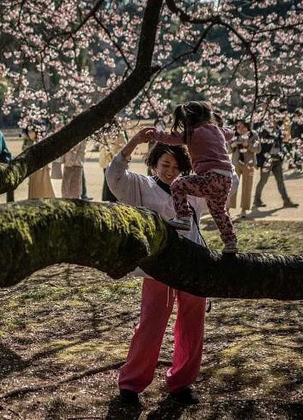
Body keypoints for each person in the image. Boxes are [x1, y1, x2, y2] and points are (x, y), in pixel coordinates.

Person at [106, 129, 210, 406]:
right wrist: (133, 144)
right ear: (153, 164)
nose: (170, 171)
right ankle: (131, 384)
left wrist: (211, 149)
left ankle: (181, 382)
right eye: (165, 165)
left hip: (193, 265)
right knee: (151, 324)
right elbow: (114, 177)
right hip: (159, 268)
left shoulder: (194, 190)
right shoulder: (140, 186)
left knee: (192, 325)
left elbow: (227, 182)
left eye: (177, 167)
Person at [150, 101, 238, 253]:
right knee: (218, 211)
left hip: (210, 177)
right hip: (226, 179)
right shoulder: (218, 130)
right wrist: (222, 126)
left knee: (178, 185)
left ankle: (184, 217)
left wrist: (153, 134)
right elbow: (230, 133)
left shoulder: (192, 133)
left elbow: (170, 138)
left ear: (188, 119)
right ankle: (231, 242)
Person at [253, 119, 299, 209]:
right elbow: (260, 146)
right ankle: (257, 200)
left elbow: (281, 144)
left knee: (280, 181)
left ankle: (286, 200)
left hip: (277, 159)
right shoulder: (264, 131)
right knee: (263, 180)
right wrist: (259, 161)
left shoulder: (278, 129)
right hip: (267, 160)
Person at [228, 120, 260, 218]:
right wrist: (232, 146)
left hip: (248, 164)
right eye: (238, 127)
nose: (241, 129)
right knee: (232, 186)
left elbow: (258, 149)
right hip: (236, 163)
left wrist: (248, 145)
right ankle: (227, 208)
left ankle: (244, 210)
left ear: (248, 127)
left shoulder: (253, 135)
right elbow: (228, 149)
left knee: (247, 187)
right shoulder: (233, 135)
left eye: (243, 127)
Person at [24, 127, 55, 199]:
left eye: (32, 132)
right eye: (29, 132)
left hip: (41, 167)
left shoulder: (41, 141)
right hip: (32, 168)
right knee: (34, 186)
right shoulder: (27, 142)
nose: (30, 134)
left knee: (43, 185)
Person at [98, 131, 128, 202]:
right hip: (109, 162)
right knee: (109, 183)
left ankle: (110, 199)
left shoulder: (119, 134)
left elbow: (123, 147)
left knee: (111, 183)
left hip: (112, 163)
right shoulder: (106, 133)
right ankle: (109, 199)